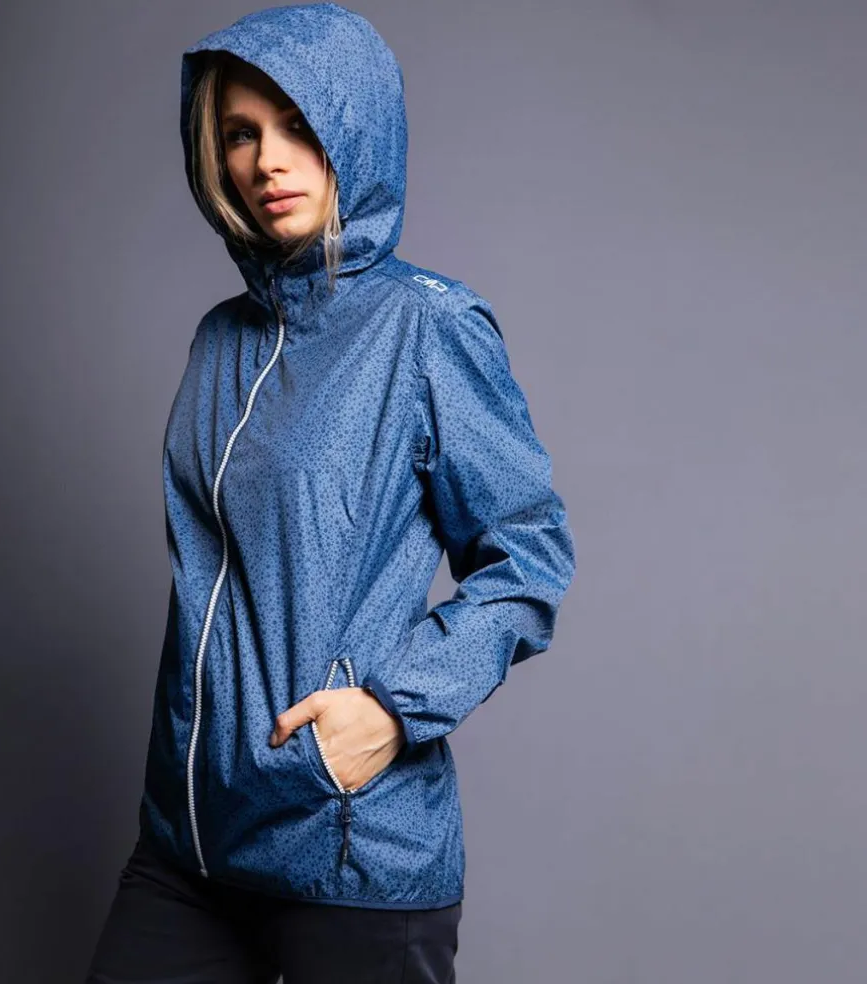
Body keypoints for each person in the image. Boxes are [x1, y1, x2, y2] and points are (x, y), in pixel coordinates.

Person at [84, 4, 577, 982]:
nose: (267, 161)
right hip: (191, 840)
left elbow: (529, 560)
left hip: (350, 845)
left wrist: (391, 711)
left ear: (358, 129)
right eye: (241, 134)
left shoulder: (427, 329)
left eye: (299, 126)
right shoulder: (221, 339)